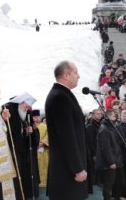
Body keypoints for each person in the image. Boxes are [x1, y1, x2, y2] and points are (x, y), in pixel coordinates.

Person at [45, 61, 88, 200]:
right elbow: (67, 137)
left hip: (68, 169)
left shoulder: (63, 94)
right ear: (65, 75)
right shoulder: (60, 97)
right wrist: (78, 168)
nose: (78, 76)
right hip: (67, 172)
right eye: (75, 73)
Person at [4, 92, 40, 199]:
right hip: (13, 152)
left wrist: (30, 130)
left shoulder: (25, 115)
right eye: (26, 106)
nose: (27, 109)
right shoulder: (10, 113)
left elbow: (27, 135)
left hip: (24, 153)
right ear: (20, 103)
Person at [95, 109, 125, 200]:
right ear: (108, 116)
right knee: (108, 184)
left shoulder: (112, 127)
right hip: (108, 163)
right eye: (113, 116)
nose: (115, 117)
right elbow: (106, 148)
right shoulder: (104, 129)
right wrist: (111, 162)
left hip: (115, 159)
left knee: (115, 182)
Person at [86, 108, 103, 192]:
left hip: (101, 151)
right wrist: (94, 154)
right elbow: (90, 142)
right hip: (94, 152)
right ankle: (95, 184)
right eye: (97, 114)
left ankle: (99, 181)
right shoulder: (90, 126)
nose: (99, 115)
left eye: (100, 114)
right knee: (94, 169)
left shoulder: (100, 124)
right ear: (93, 115)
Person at [37, 116, 49, 187]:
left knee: (43, 164)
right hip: (42, 148)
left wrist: (41, 143)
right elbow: (49, 136)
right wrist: (43, 143)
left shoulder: (39, 126)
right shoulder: (44, 126)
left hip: (42, 149)